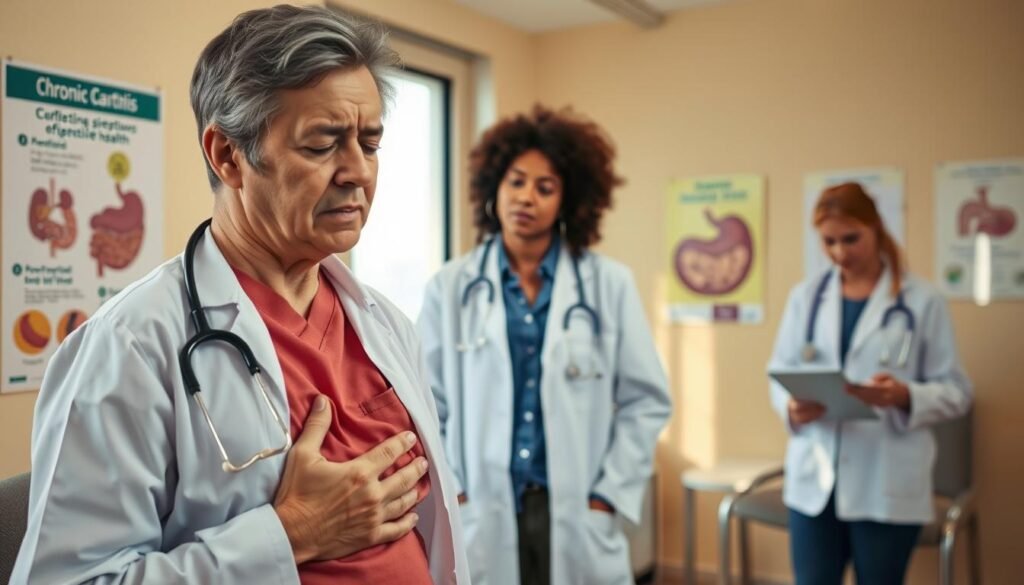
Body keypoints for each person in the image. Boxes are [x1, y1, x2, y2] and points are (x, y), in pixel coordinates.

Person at [11, 6, 468, 584]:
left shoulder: (385, 324)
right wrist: (291, 535)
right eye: (323, 144)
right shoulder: (130, 347)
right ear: (228, 155)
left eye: (370, 144)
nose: (357, 172)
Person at [417, 105, 672, 585]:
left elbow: (646, 400)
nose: (526, 198)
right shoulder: (450, 287)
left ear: (569, 201)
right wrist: (455, 490)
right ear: (494, 187)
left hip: (576, 506)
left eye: (545, 187)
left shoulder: (608, 285)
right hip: (483, 505)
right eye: (516, 181)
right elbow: (428, 407)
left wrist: (609, 494)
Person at [768, 182, 973, 585]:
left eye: (851, 239)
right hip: (815, 482)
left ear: (876, 228)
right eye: (829, 242)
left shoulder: (923, 300)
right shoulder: (805, 298)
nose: (840, 253)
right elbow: (778, 371)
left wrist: (905, 396)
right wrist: (790, 407)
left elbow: (957, 392)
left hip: (886, 480)